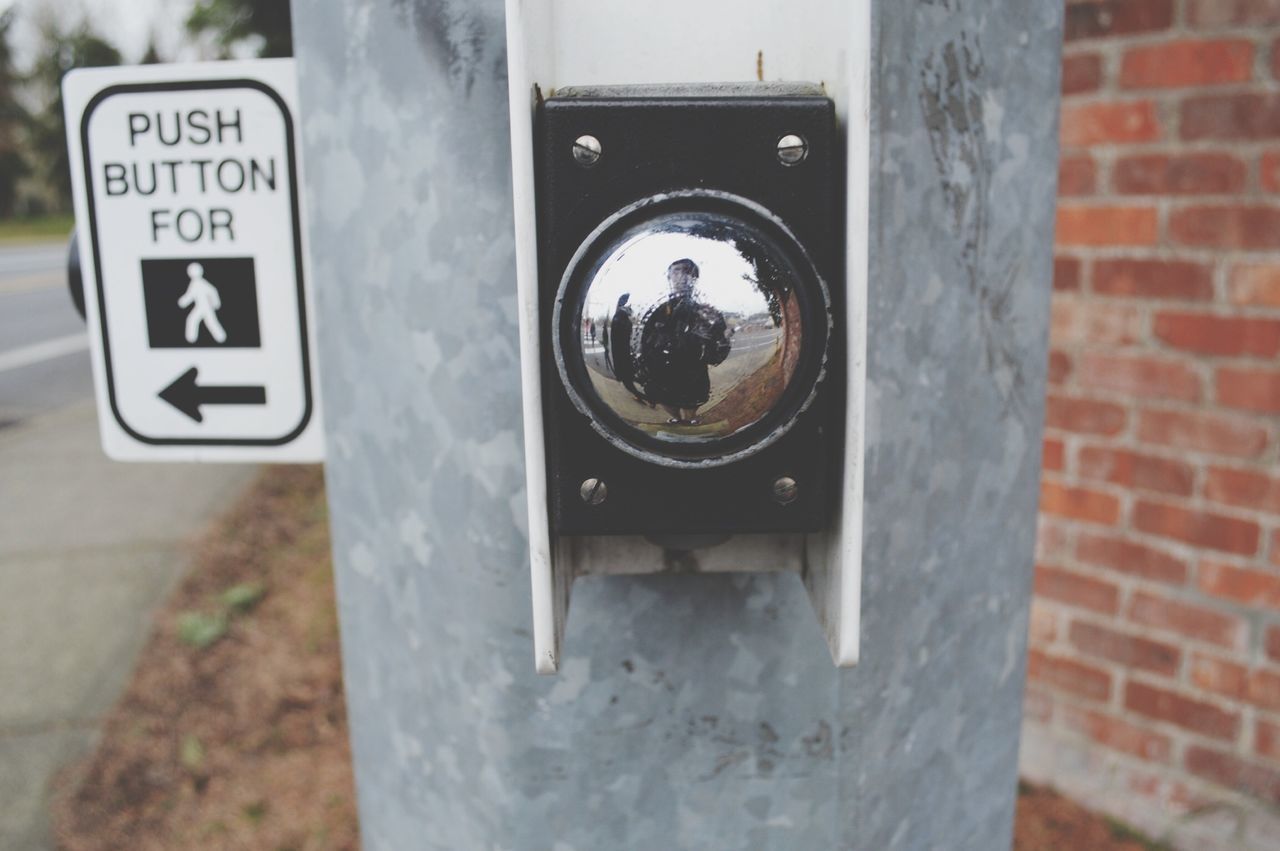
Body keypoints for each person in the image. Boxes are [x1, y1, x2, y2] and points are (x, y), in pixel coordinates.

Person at [636, 259, 731, 425]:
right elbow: (643, 342)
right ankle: (676, 419)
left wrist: (713, 338)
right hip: (662, 373)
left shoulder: (705, 312)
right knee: (666, 402)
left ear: (695, 278)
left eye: (688, 272)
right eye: (676, 271)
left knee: (690, 407)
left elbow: (718, 349)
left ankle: (689, 420)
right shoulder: (657, 310)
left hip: (693, 374)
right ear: (669, 277)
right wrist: (643, 368)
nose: (682, 276)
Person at [177, 262, 227, 344]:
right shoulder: (196, 283)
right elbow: (191, 295)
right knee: (195, 320)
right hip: (201, 306)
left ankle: (220, 337)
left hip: (205, 307)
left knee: (206, 321)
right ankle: (192, 338)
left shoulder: (198, 283)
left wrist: (216, 303)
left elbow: (211, 291)